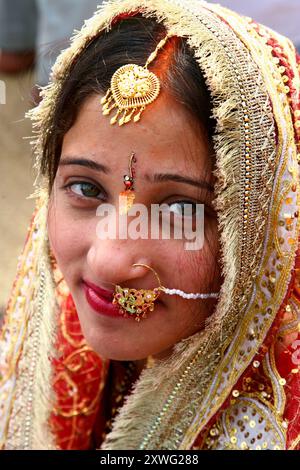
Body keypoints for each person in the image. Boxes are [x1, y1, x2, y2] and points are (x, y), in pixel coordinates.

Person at [0, 0, 299, 450]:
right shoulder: (40, 334)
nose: (108, 261)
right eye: (86, 190)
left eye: (178, 209)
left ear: (267, 223)